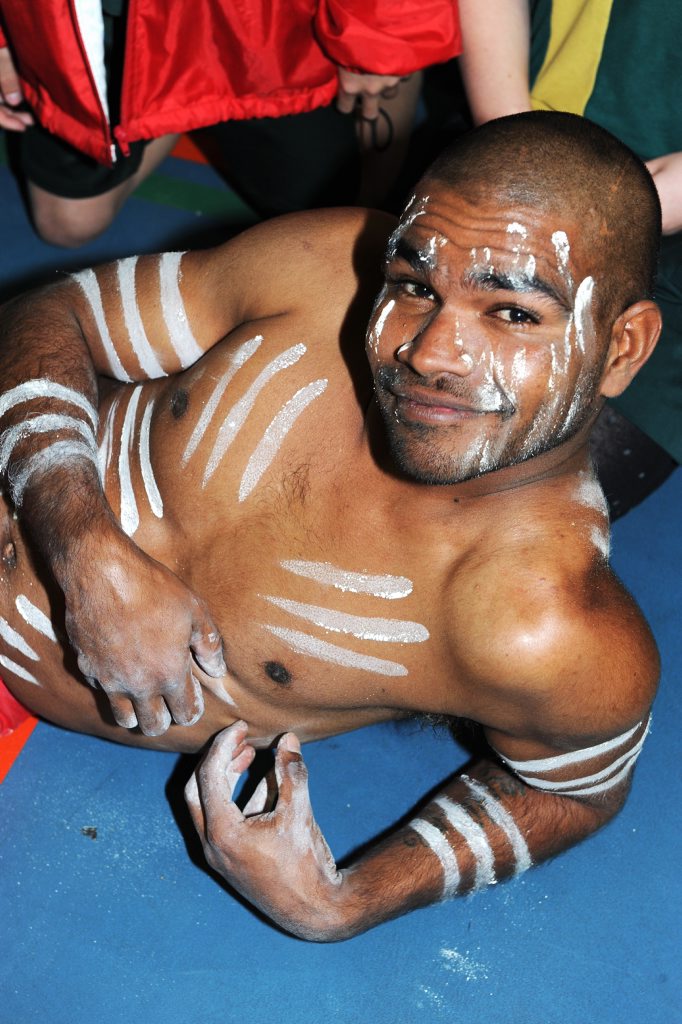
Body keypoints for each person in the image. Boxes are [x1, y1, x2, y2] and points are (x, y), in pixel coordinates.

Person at [0, 112, 662, 941]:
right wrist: (81, 544)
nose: (430, 351)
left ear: (624, 349)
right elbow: (56, 314)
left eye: (513, 314)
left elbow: (578, 790)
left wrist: (342, 902)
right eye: (417, 287)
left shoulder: (544, 626)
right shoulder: (325, 268)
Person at [456, 0, 681, 519]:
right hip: (529, 145)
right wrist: (511, 143)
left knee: (508, 511)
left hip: (668, 228)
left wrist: (621, 211)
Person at [0, 0, 459, 245]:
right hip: (96, 21)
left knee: (333, 204)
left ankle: (378, 204)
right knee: (68, 224)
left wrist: (387, 38)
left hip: (267, 21)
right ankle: (180, 104)